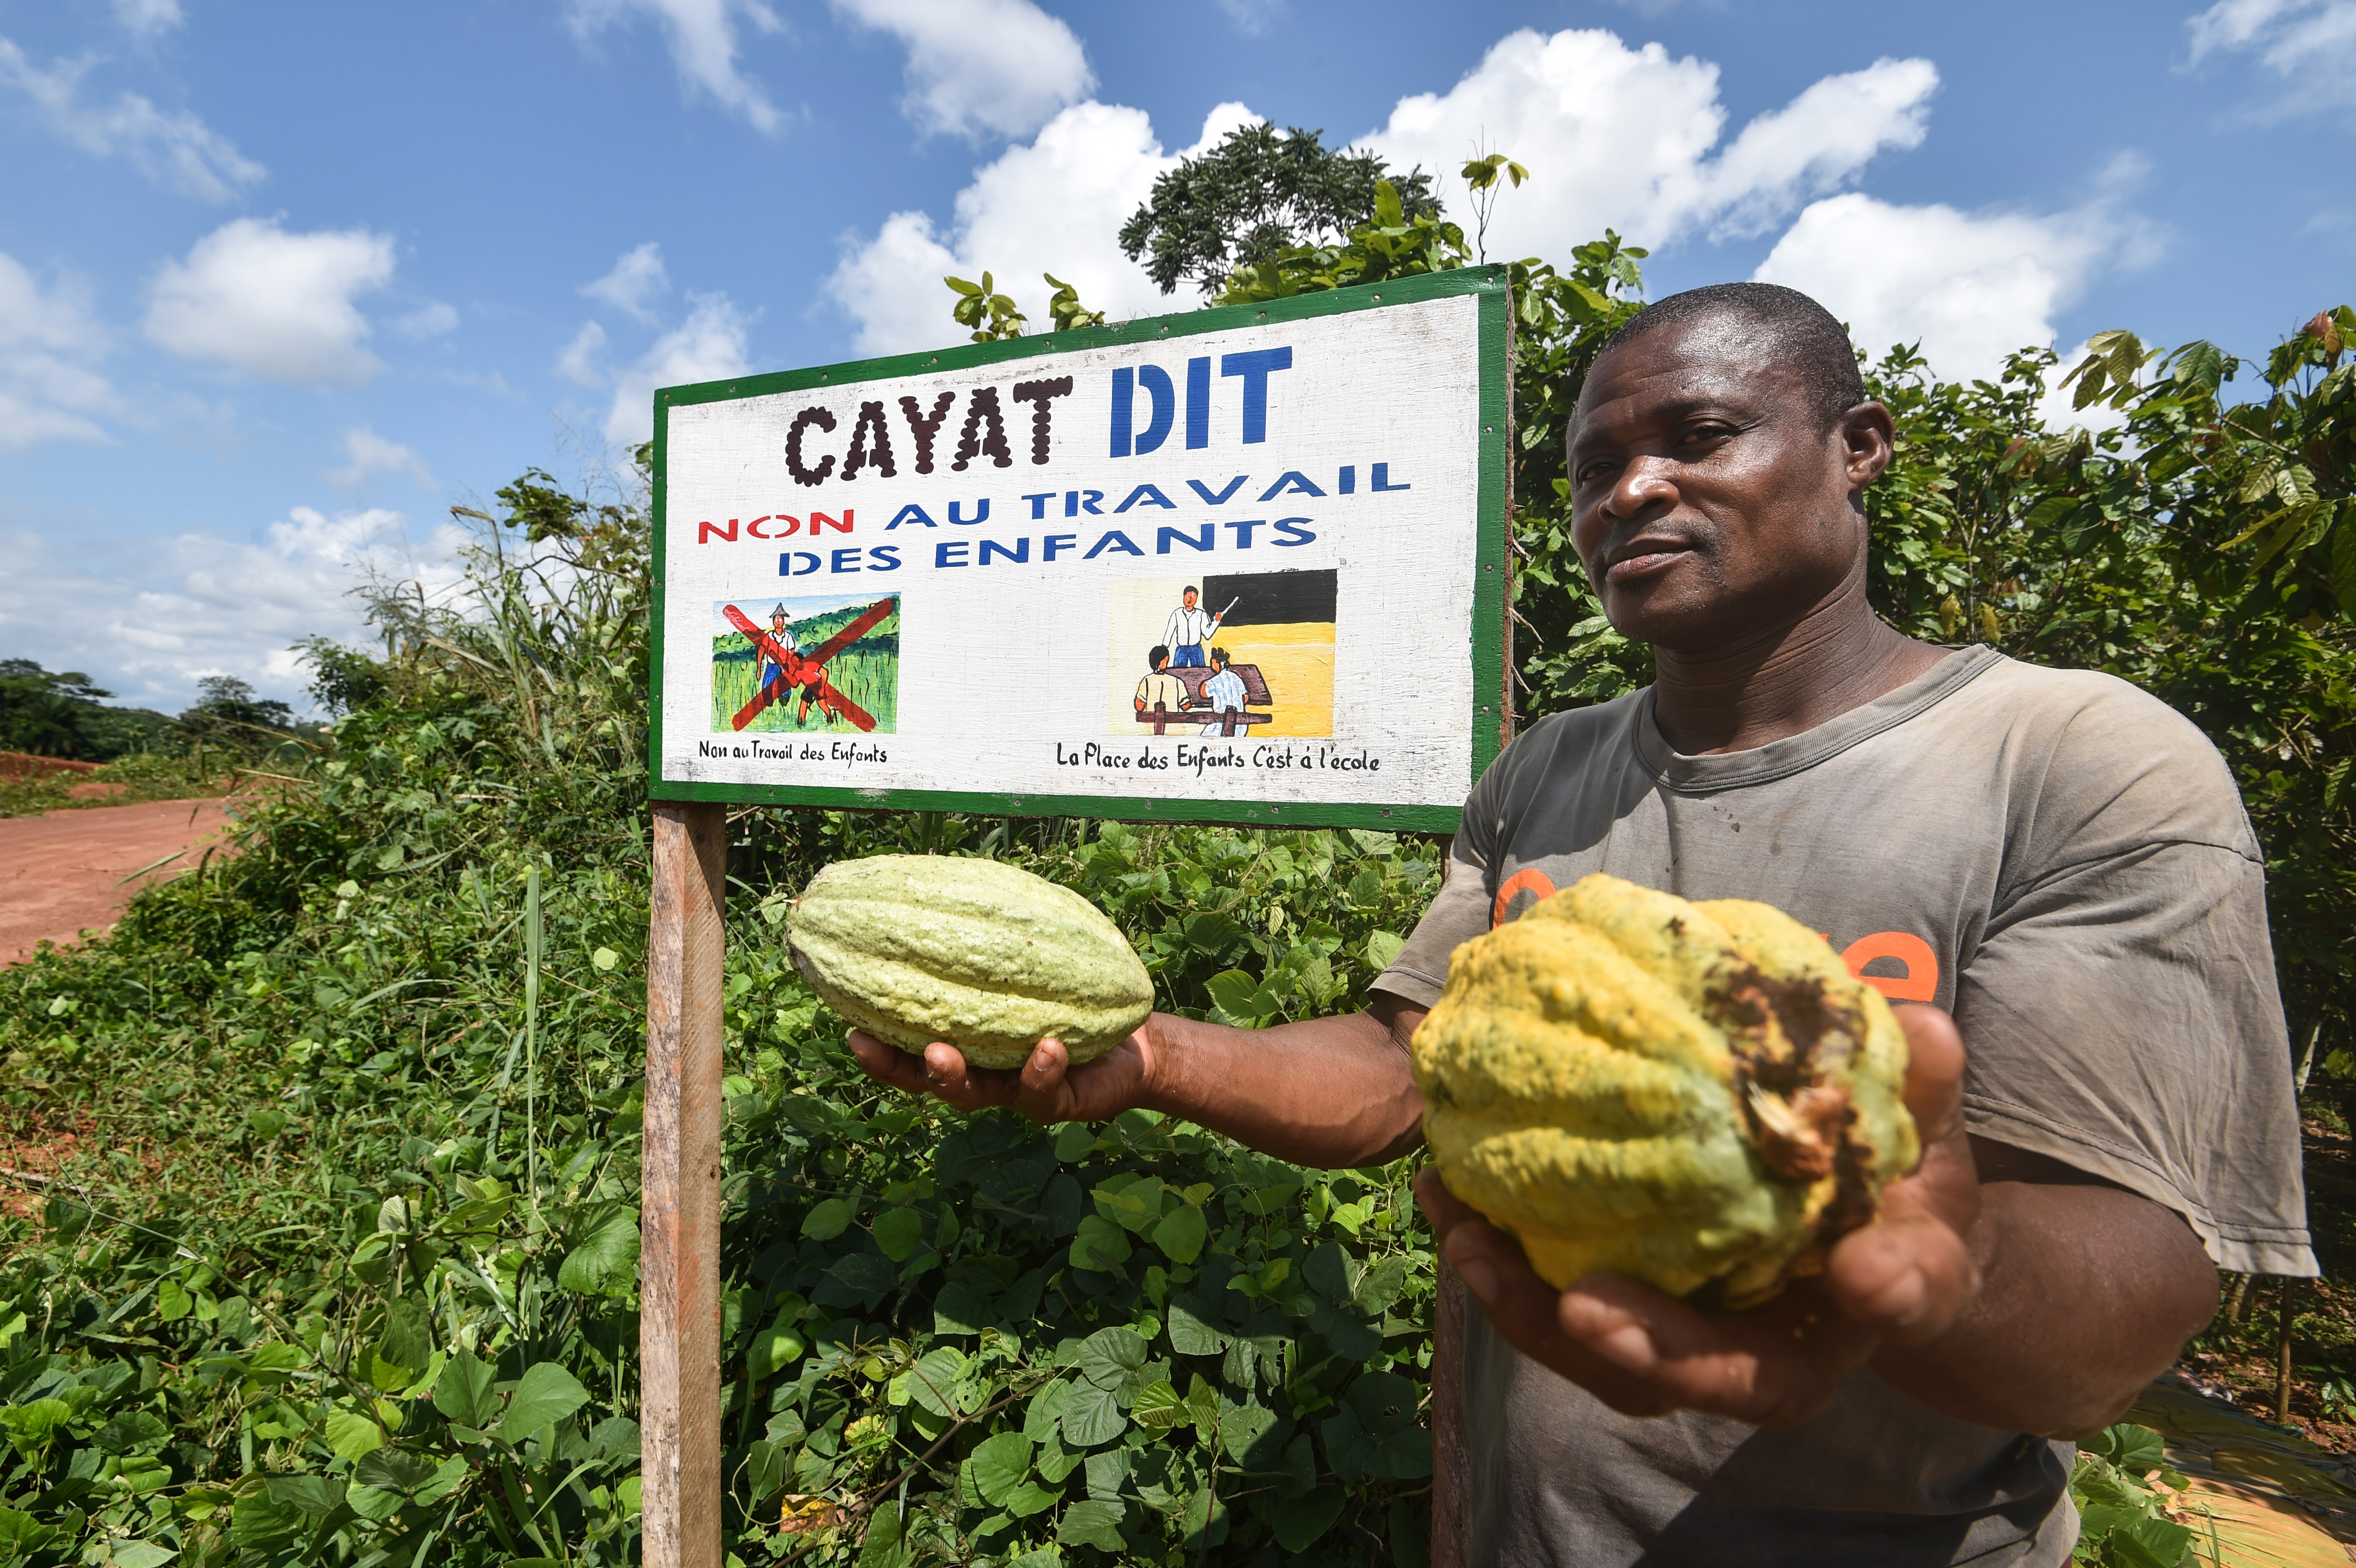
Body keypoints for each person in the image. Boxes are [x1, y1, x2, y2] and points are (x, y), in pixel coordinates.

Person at [851, 282, 2312, 1566]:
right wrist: (1149, 1056)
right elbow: (1400, 1069)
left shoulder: (2074, 760)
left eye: (1698, 435)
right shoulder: (1547, 767)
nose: (1630, 490)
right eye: (1595, 464)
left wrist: (1919, 1265)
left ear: (1857, 444)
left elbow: (2138, 1290)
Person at [1160, 586, 1222, 667]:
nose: (1190, 599)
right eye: (1188, 596)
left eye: (1193, 596)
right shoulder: (1177, 614)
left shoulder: (1201, 615)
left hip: (1196, 649)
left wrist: (1216, 622)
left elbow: (1207, 634)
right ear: (1184, 597)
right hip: (1181, 650)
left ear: (1196, 599)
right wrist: (1163, 649)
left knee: (1201, 673)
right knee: (1178, 673)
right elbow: (1170, 631)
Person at [1192, 647, 1247, 737]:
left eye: (1213, 662)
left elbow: (1204, 693)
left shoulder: (1215, 681)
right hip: (1241, 725)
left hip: (1220, 723)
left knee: (1205, 738)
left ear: (1218, 664)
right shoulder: (1236, 677)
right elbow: (1246, 697)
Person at [1133, 644, 1188, 729]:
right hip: (1173, 728)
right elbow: (1186, 705)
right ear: (1163, 661)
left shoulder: (1147, 681)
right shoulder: (1177, 681)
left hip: (1151, 727)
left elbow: (1139, 706)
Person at [758, 604, 799, 699]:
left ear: (783, 622)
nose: (778, 622)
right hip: (771, 666)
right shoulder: (769, 636)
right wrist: (759, 669)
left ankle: (784, 702)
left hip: (785, 666)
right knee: (767, 690)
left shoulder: (788, 637)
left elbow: (792, 652)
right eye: (776, 620)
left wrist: (789, 666)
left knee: (785, 690)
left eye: (780, 620)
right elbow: (761, 651)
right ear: (773, 622)